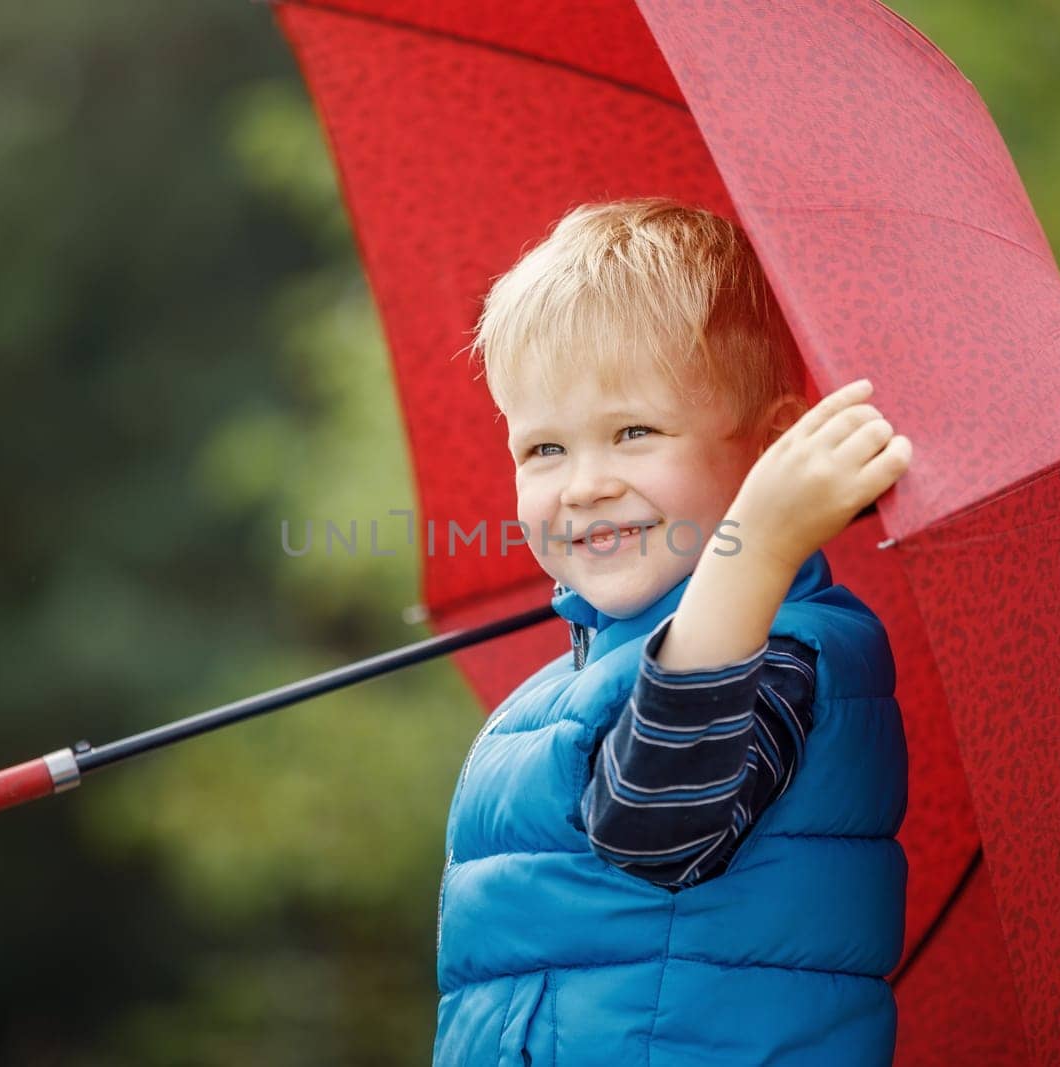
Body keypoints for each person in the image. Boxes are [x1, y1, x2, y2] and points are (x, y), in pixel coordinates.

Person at [434, 197, 912, 1065]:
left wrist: (757, 544)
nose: (583, 485)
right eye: (544, 449)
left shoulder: (781, 651)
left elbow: (657, 824)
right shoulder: (553, 694)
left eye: (633, 432)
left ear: (772, 452)